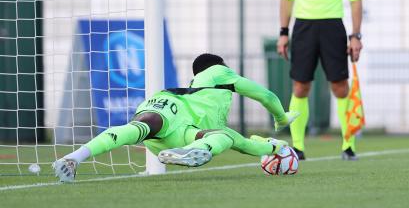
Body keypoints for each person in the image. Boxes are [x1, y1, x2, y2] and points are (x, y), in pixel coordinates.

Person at [53, 53, 298, 182]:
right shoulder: (217, 71)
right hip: (181, 121)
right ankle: (192, 150)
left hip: (173, 123)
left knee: (137, 128)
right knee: (227, 137)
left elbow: (247, 145)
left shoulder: (200, 94)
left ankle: (74, 158)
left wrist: (272, 146)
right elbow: (264, 94)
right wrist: (281, 119)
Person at [276, 0, 364, 161]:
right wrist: (283, 32)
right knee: (300, 86)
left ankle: (349, 145)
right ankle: (298, 146)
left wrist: (356, 35)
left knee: (339, 87)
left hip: (332, 27)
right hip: (303, 27)